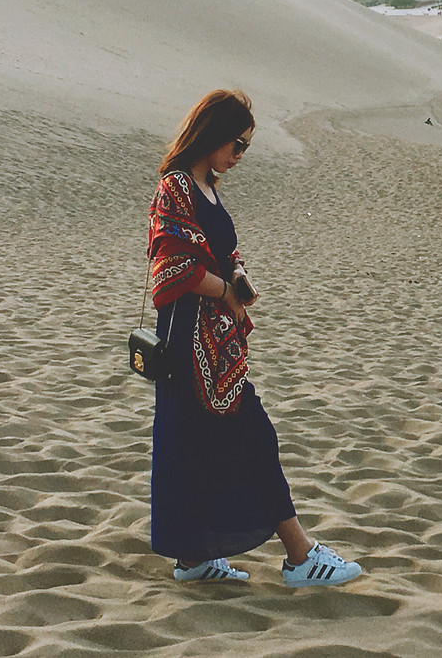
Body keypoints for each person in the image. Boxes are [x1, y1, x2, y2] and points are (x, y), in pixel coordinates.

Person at [147, 89, 362, 587]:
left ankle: (193, 558)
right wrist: (225, 291)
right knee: (254, 435)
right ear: (212, 135)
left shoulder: (207, 185)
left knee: (194, 444)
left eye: (246, 147)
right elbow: (170, 266)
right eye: (236, 144)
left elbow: (221, 247)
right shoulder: (175, 187)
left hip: (215, 342)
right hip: (189, 343)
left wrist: (238, 277)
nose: (239, 156)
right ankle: (300, 556)